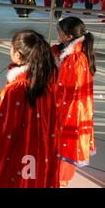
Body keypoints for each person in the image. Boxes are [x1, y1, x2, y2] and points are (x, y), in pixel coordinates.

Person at [0, 30, 59, 188]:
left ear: (18, 55)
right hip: (39, 153)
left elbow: (3, 135)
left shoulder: (14, 91)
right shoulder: (47, 83)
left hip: (16, 157)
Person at [52, 17, 96, 186]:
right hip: (71, 106)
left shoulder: (75, 60)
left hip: (70, 109)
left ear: (68, 37)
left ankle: (61, 179)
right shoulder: (74, 50)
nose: (58, 33)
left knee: (65, 143)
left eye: (60, 31)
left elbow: (64, 89)